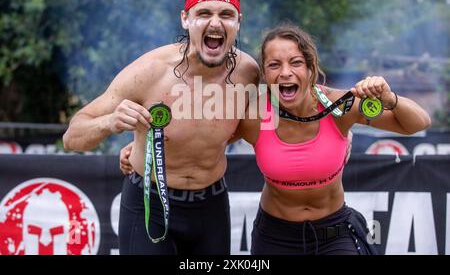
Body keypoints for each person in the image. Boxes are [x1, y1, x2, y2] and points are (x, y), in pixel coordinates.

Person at [122, 24, 431, 255]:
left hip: (335, 235)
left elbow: (417, 123)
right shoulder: (254, 115)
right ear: (265, 75)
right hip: (275, 238)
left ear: (311, 68)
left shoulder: (339, 107)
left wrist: (391, 98)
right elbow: (201, 138)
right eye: (274, 65)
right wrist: (141, 147)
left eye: (296, 62)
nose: (285, 72)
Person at [63, 0, 260, 255]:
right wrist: (110, 122)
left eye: (226, 15)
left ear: (238, 23)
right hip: (149, 203)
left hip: (211, 206)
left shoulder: (248, 73)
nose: (215, 23)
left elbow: (256, 127)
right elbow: (72, 136)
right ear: (185, 19)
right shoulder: (151, 71)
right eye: (203, 13)